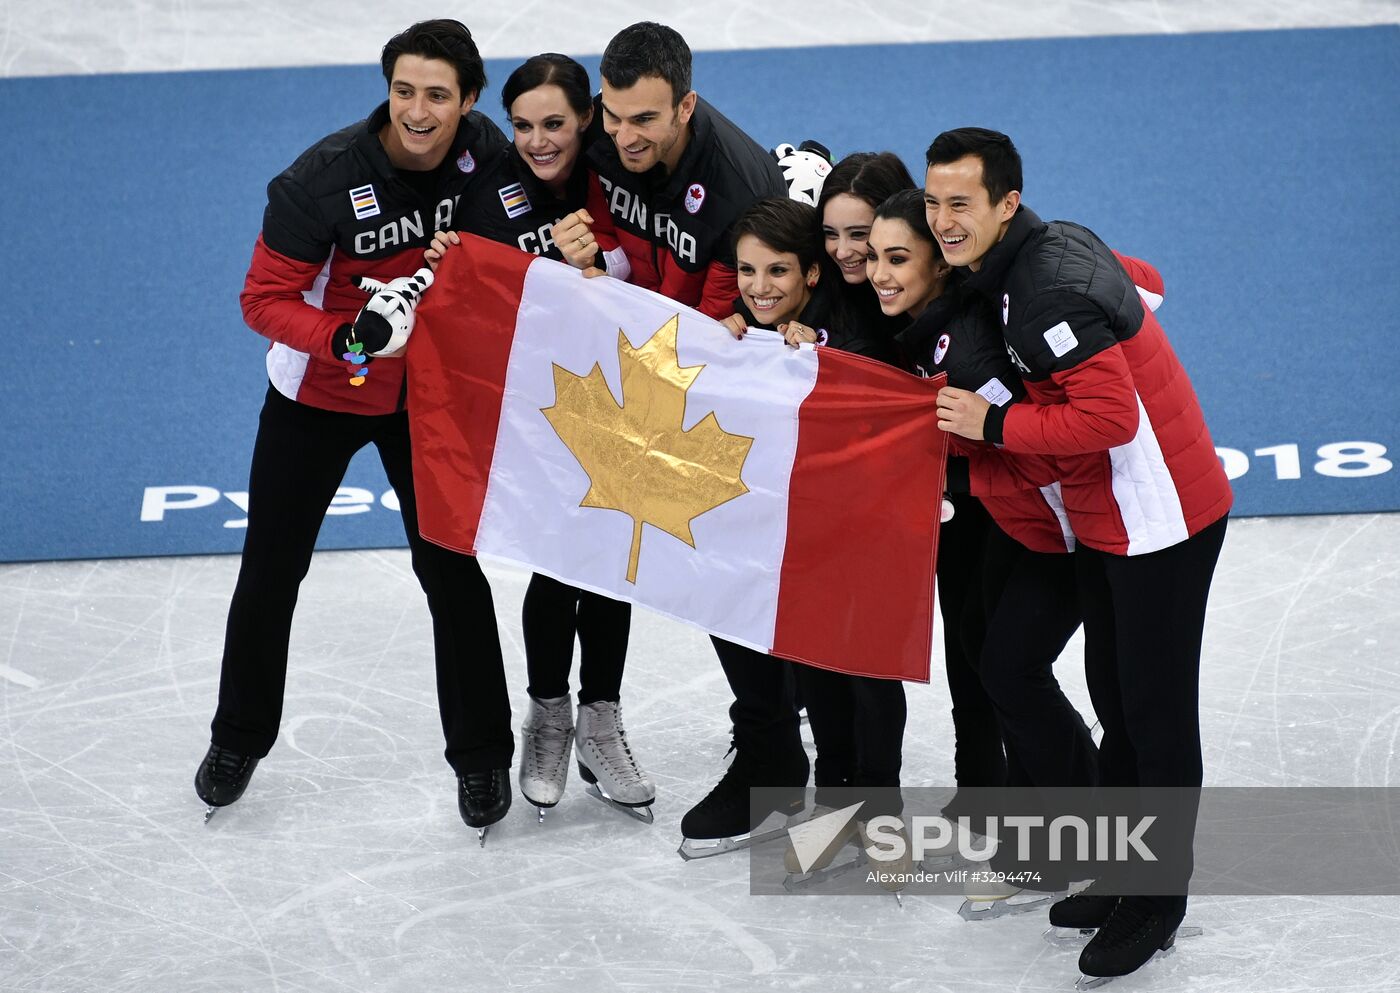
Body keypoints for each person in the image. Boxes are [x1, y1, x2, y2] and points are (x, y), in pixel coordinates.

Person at [194, 19, 516, 843]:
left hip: (427, 401)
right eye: (403, 90)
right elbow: (261, 300)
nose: (417, 110)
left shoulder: (486, 154)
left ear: (468, 101)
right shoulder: (321, 181)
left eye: (437, 95)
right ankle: (237, 739)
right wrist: (343, 337)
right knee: (270, 573)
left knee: (453, 574)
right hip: (319, 396)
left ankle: (481, 755)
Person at [927, 127, 1232, 981]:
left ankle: (1157, 901)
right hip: (1113, 520)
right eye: (934, 201)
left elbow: (1111, 419)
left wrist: (992, 424)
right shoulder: (1039, 253)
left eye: (962, 204)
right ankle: (1132, 869)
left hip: (1163, 522)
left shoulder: (1045, 289)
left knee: (1155, 714)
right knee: (1116, 699)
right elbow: (1145, 284)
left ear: (1007, 205)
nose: (944, 221)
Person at [548, 22, 799, 856]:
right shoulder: (602, 136)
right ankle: (771, 737)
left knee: (728, 567)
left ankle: (773, 758)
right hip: (644, 376)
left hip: (718, 401)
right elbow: (620, 245)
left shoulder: (738, 185)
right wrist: (599, 263)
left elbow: (741, 318)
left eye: (645, 120)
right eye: (612, 117)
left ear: (685, 105)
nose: (623, 137)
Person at [425, 53, 654, 824]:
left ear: (586, 118)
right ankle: (549, 717)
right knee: (560, 564)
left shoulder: (616, 176)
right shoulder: (489, 193)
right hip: (544, 409)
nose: (537, 139)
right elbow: (482, 310)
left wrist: (605, 266)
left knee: (614, 563)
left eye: (554, 123)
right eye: (523, 125)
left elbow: (656, 278)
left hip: (626, 399)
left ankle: (601, 720)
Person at [721, 196, 914, 890]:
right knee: (818, 663)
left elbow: (894, 388)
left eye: (777, 270)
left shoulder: (847, 323)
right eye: (747, 271)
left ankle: (881, 811)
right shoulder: (748, 335)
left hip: (872, 525)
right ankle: (836, 805)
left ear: (809, 273)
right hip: (802, 530)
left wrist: (824, 356)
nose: (759, 285)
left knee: (868, 665)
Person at [860, 189, 1013, 813]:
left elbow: (1012, 426)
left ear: (938, 264)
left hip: (999, 515)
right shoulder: (917, 324)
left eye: (897, 258)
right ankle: (980, 782)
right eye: (873, 256)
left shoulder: (966, 339)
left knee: (991, 657)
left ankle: (1005, 789)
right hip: (956, 506)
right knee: (969, 647)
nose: (876, 273)